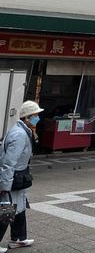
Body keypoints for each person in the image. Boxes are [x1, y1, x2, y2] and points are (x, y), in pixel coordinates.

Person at [0, 100, 44, 250]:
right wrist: (4, 186)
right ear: (27, 117)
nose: (37, 118)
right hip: (13, 177)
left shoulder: (25, 131)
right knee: (7, 211)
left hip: (19, 176)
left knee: (19, 208)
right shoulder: (19, 134)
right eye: (35, 115)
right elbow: (8, 163)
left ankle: (18, 238)